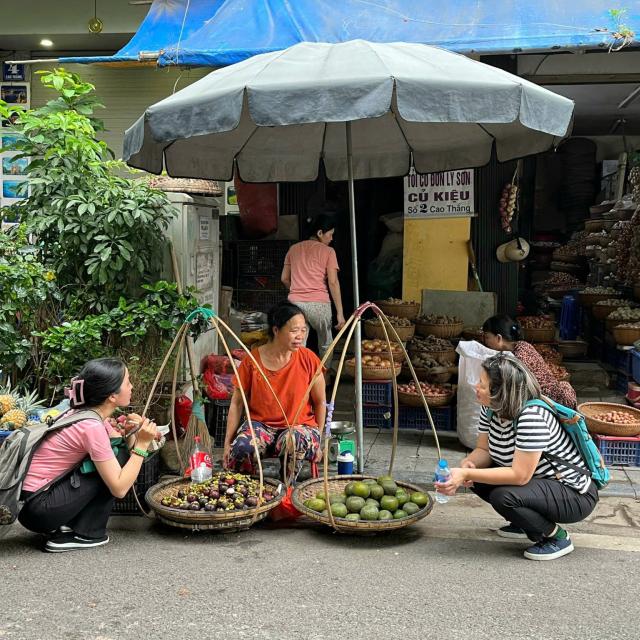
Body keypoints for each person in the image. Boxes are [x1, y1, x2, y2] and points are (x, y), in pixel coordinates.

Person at [436, 353, 598, 561]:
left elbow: (519, 475)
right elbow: (484, 451)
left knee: (503, 497)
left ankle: (557, 538)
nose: (476, 387)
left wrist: (467, 472)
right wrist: (470, 465)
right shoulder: (491, 409)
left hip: (573, 494)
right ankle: (525, 522)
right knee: (479, 479)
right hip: (541, 484)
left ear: (500, 393)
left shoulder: (531, 417)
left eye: (482, 384)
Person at [19, 358, 158, 553]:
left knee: (117, 453)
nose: (132, 386)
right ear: (112, 396)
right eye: (128, 382)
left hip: (34, 505)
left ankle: (70, 524)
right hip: (41, 509)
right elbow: (119, 488)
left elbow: (119, 445)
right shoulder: (91, 426)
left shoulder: (82, 413)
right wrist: (142, 444)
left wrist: (131, 433)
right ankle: (85, 533)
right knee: (117, 459)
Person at [223, 302, 325, 480]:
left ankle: (287, 489)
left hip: (299, 427)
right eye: (294, 331)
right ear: (276, 330)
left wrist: (319, 440)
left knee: (294, 440)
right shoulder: (252, 360)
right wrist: (227, 444)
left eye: (303, 330)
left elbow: (320, 402)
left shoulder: (309, 359)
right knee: (242, 446)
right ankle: (249, 490)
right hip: (261, 427)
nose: (300, 336)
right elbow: (237, 403)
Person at [281, 213, 345, 360]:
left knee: (298, 342)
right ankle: (326, 375)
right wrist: (340, 314)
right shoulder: (329, 252)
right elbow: (333, 282)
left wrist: (296, 291)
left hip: (296, 304)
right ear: (320, 233)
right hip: (319, 305)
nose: (331, 238)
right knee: (325, 341)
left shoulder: (293, 249)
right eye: (330, 234)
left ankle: (299, 376)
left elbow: (284, 278)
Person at [482, 314, 577, 409]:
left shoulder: (516, 358)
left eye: (487, 337)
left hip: (546, 402)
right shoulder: (523, 345)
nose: (485, 341)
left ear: (499, 338)